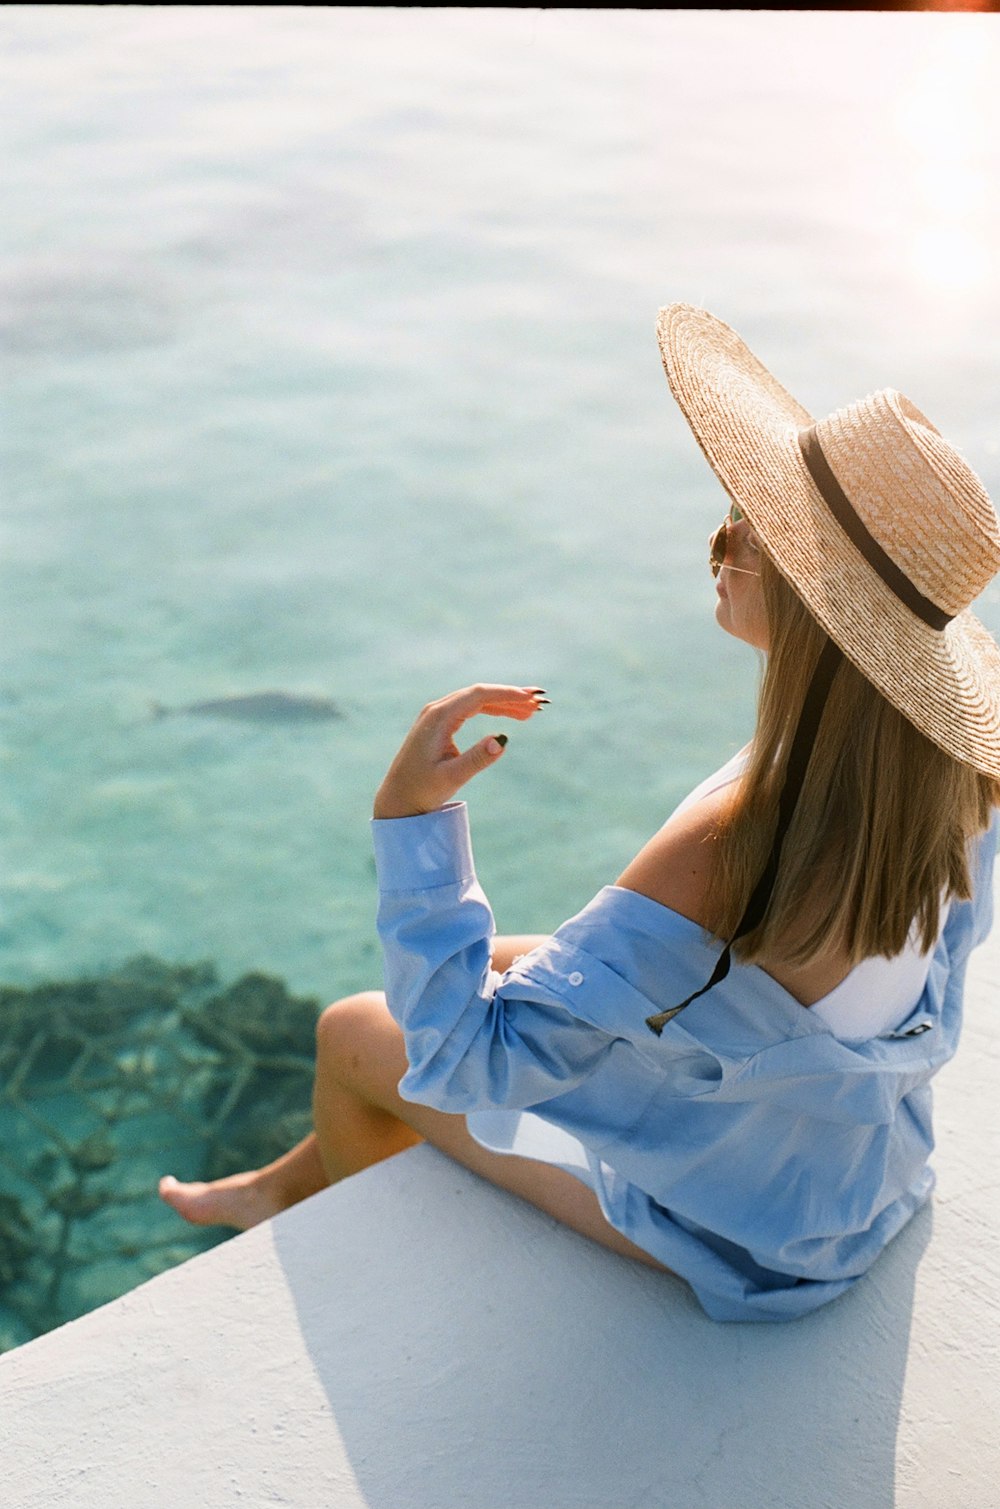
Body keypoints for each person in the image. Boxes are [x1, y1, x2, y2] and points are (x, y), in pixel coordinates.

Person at [160, 305, 1000, 1321]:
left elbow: (464, 1062)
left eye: (756, 523)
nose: (722, 534)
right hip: (853, 1170)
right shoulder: (945, 782)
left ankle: (357, 1281)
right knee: (545, 958)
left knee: (352, 1035)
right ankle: (282, 1184)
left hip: (755, 1239)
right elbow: (750, 983)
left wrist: (410, 823)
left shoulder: (730, 842)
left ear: (812, 608)